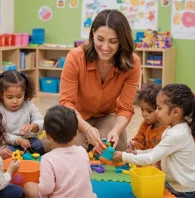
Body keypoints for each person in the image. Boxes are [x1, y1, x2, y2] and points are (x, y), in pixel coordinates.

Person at [59, 9, 141, 152]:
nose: (105, 47)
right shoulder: (75, 57)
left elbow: (125, 108)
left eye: (113, 42)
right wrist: (86, 129)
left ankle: (95, 143)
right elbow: (67, 103)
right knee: (71, 149)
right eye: (100, 39)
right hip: (76, 115)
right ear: (93, 35)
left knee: (117, 146)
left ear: (121, 41)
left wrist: (116, 130)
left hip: (106, 115)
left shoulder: (132, 63)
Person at [113, 84, 195, 198]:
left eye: (159, 108)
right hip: (181, 184)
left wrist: (123, 156)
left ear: (176, 112)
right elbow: (157, 151)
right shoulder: (176, 127)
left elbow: (151, 158)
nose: (156, 112)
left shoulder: (176, 134)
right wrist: (137, 153)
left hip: (185, 190)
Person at [24, 105, 96, 198]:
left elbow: (46, 189)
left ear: (47, 135)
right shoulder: (82, 152)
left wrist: (40, 185)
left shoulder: (48, 159)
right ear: (75, 134)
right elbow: (88, 176)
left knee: (28, 186)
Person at [127, 84, 195, 171]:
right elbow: (140, 142)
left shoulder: (172, 131)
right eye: (142, 109)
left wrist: (124, 157)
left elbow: (154, 156)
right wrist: (134, 145)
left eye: (150, 111)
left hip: (178, 170)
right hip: (157, 161)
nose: (144, 114)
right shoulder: (146, 125)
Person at [0, 70, 45, 155]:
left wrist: (33, 126)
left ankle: (25, 153)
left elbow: (41, 120)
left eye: (19, 96)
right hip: (10, 142)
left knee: (43, 145)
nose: (15, 101)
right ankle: (23, 154)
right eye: (9, 97)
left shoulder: (28, 105)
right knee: (4, 151)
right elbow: (0, 134)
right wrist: (18, 140)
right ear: (1, 95)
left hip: (29, 140)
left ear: (25, 93)